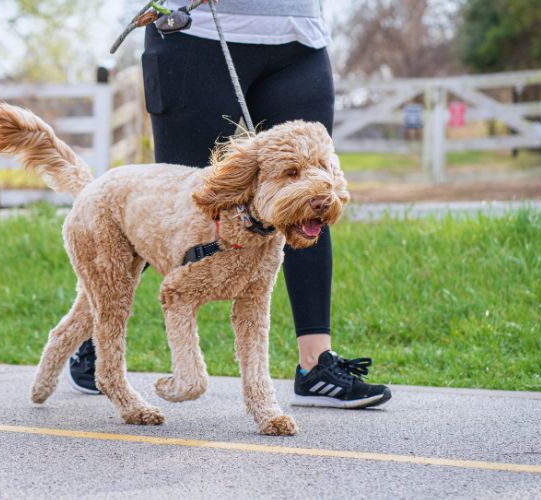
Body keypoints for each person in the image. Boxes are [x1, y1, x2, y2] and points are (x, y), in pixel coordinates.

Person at [68, 0, 391, 409]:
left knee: (309, 200)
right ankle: (97, 340)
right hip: (195, 30)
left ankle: (315, 365)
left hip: (299, 34)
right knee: (176, 210)